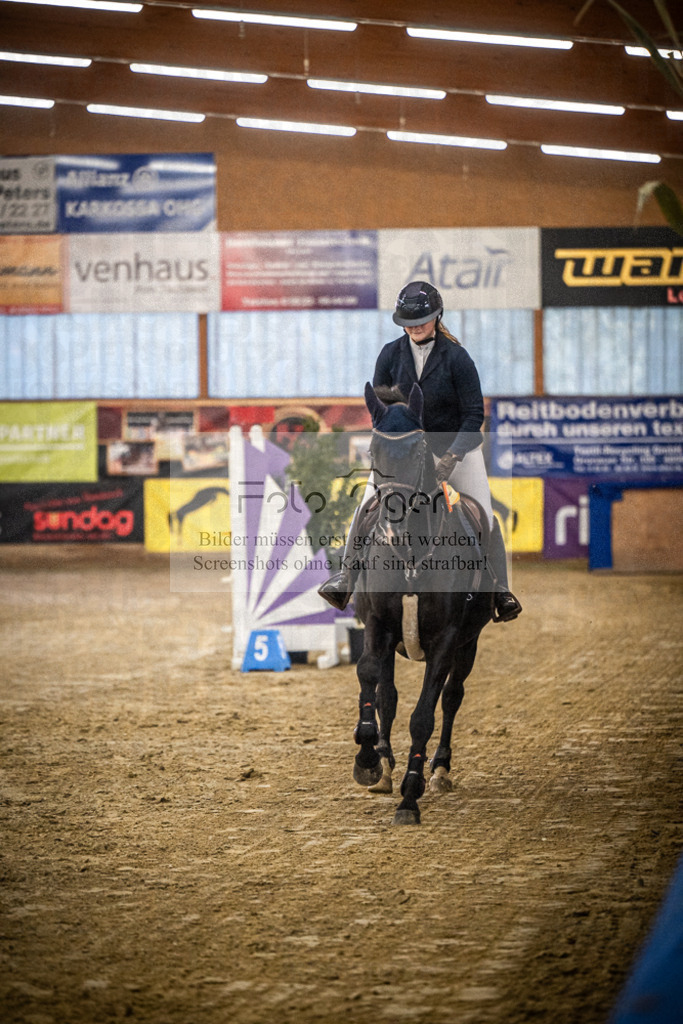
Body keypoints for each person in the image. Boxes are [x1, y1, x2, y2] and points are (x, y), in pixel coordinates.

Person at [319, 280, 522, 623]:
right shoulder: (389, 354)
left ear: (437, 315)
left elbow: (474, 414)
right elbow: (380, 411)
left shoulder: (457, 358)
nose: (414, 328)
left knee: (485, 515)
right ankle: (346, 577)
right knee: (367, 505)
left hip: (454, 450)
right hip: (402, 454)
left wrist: (453, 454)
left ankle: (500, 590)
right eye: (408, 323)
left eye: (422, 321)